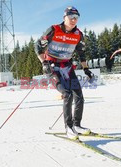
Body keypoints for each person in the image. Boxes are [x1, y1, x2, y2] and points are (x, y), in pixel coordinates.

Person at [35, 6, 94, 140]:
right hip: (52, 66)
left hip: (67, 67)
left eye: (76, 17)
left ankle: (77, 125)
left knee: (78, 94)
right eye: (71, 17)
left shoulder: (78, 34)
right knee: (66, 94)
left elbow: (81, 53)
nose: (74, 20)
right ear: (64, 18)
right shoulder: (53, 30)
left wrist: (86, 68)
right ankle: (69, 128)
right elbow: (38, 46)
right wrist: (44, 63)